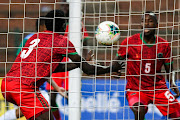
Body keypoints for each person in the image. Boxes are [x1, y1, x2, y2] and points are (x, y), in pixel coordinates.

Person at [1, 10, 122, 120]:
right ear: (64, 26)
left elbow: (54, 67)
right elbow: (88, 70)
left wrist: (80, 62)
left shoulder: (34, 37)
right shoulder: (61, 41)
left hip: (7, 85)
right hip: (25, 88)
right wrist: (111, 68)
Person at [116, 11, 180, 120]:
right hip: (136, 88)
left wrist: (172, 83)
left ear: (156, 25)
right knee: (139, 110)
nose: (146, 24)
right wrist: (116, 70)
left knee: (177, 114)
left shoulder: (163, 45)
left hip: (158, 88)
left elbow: (170, 69)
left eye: (150, 21)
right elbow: (118, 60)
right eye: (143, 21)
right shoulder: (130, 42)